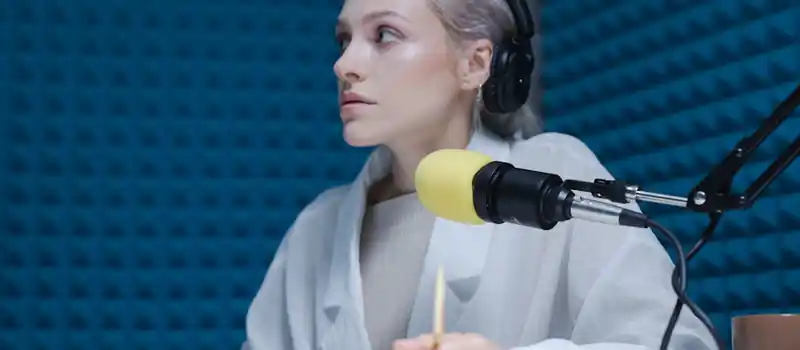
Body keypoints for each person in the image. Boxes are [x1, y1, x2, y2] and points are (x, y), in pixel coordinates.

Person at [242, 0, 717, 349]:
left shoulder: (552, 176)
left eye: (384, 35)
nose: (344, 65)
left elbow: (676, 343)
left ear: (475, 64)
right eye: (344, 40)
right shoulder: (317, 228)